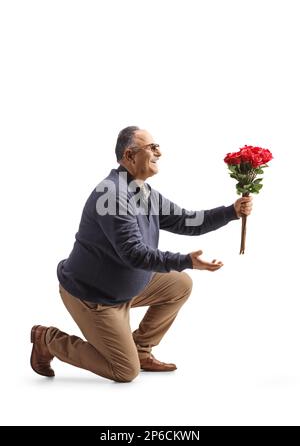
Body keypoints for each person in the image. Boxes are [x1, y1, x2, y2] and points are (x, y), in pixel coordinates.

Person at [30, 126, 253, 382]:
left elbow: (186, 220)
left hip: (125, 288)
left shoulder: (142, 191)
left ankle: (141, 349)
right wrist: (185, 261)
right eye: (152, 147)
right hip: (94, 297)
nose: (160, 152)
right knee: (125, 371)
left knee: (179, 284)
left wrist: (231, 212)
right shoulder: (112, 195)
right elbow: (134, 254)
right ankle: (47, 339)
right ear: (129, 156)